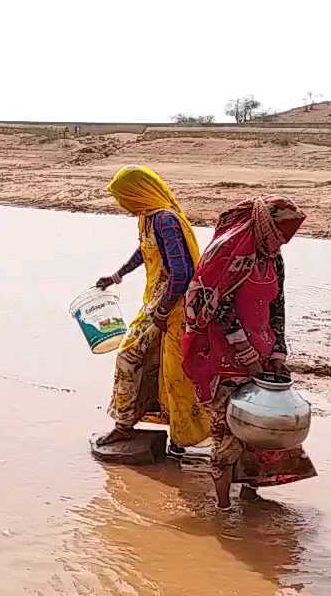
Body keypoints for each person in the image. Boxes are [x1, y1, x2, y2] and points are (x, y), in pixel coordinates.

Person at [182, 197, 316, 508]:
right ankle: (222, 508)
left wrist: (278, 354)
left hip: (262, 350)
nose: (283, 241)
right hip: (221, 355)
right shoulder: (227, 253)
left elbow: (277, 306)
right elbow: (214, 307)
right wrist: (246, 356)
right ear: (267, 226)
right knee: (227, 433)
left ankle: (250, 491)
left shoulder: (273, 257)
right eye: (281, 233)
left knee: (265, 428)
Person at [94, 165, 210, 450]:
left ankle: (127, 426)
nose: (122, 204)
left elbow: (181, 273)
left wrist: (161, 312)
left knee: (129, 358)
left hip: (173, 304)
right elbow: (145, 250)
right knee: (159, 365)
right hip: (158, 300)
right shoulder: (148, 218)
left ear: (139, 192)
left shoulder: (166, 221)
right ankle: (170, 435)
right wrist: (118, 275)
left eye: (124, 197)